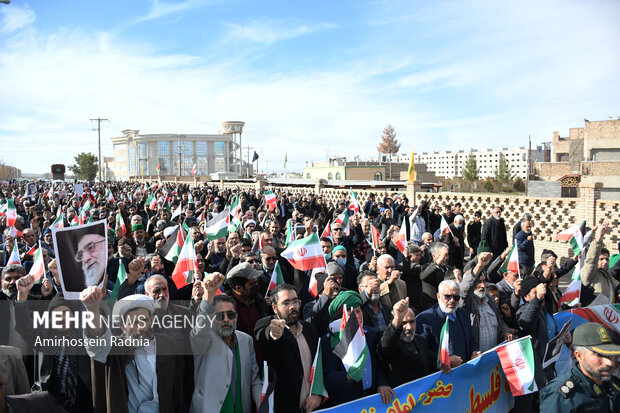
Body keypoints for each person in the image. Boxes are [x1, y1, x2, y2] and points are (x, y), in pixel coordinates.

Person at [81, 290, 186, 413]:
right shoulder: (115, 348)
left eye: (143, 321)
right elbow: (97, 343)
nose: (140, 327)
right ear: (122, 326)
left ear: (152, 320)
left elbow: (179, 388)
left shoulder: (166, 344)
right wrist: (92, 309)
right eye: (133, 322)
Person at [190, 272, 262, 413]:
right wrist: (209, 295)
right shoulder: (204, 339)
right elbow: (200, 329)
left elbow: (254, 380)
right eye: (219, 316)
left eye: (230, 314)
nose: (226, 319)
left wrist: (263, 406)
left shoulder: (246, 341)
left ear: (236, 317)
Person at [254, 284, 323, 413]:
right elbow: (264, 335)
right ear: (274, 308)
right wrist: (273, 333)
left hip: (313, 407)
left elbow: (319, 365)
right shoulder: (265, 324)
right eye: (286, 303)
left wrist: (318, 394)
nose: (293, 307)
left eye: (295, 301)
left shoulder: (310, 329)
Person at [322, 291, 393, 407]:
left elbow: (380, 365)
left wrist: (382, 383)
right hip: (348, 405)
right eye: (352, 313)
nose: (358, 316)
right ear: (340, 317)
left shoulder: (370, 334)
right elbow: (328, 380)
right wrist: (349, 376)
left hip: (373, 401)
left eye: (359, 311)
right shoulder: (329, 342)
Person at [539, 322, 620, 412]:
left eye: (610, 355)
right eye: (600, 355)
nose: (609, 362)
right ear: (579, 356)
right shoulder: (561, 395)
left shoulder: (614, 384)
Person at [415, 280, 479, 372]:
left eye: (456, 297)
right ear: (438, 296)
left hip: (465, 372)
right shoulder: (425, 319)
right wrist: (444, 361)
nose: (452, 300)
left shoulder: (464, 315)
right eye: (447, 296)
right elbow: (421, 351)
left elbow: (471, 339)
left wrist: (474, 351)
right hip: (441, 378)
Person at [459, 252, 513, 352]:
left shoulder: (490, 300)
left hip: (493, 357)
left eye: (484, 281)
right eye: (478, 282)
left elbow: (499, 321)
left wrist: (505, 332)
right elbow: (464, 291)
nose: (483, 285)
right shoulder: (466, 302)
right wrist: (479, 266)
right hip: (477, 358)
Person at [377, 298, 433, 387]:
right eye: (403, 323)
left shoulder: (421, 340)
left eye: (412, 322)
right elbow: (385, 348)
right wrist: (397, 319)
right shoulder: (390, 342)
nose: (409, 327)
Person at [582, 219, 618, 304]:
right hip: (594, 315)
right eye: (601, 259)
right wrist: (599, 237)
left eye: (607, 259)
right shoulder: (591, 275)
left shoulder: (607, 275)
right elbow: (591, 261)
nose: (605, 262)